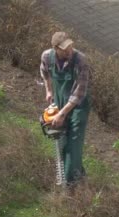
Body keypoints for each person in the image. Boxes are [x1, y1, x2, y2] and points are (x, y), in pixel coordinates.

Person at [40, 31, 90, 185]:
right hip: (60, 102)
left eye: (70, 46)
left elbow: (77, 94)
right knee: (62, 140)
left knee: (73, 144)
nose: (69, 50)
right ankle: (78, 173)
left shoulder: (81, 61)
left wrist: (61, 114)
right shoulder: (47, 56)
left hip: (78, 107)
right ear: (56, 48)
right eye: (64, 49)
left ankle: (70, 185)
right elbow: (45, 73)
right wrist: (49, 90)